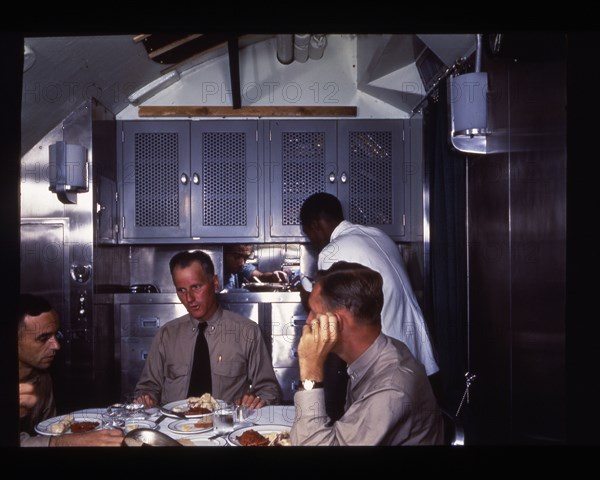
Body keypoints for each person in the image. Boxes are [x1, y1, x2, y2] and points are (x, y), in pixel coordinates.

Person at [290, 262, 443, 445]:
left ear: (336, 322)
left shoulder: (390, 389)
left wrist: (310, 368)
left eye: (313, 312)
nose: (308, 321)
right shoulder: (381, 351)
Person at [299, 192, 439, 376]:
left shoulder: (332, 251)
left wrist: (304, 293)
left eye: (309, 234)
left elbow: (327, 317)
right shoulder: (379, 235)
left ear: (315, 225)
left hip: (388, 363)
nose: (312, 241)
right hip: (420, 355)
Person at [135, 249, 281, 409]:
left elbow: (269, 390)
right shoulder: (167, 335)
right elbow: (147, 389)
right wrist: (146, 399)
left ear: (215, 282)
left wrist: (257, 400)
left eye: (196, 287)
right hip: (173, 428)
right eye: (181, 290)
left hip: (225, 429)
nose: (189, 298)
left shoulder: (247, 332)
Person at [18, 294, 124, 447]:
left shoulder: (43, 378)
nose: (56, 346)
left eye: (56, 335)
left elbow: (49, 430)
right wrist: (65, 442)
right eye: (43, 338)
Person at [222, 244, 288, 289]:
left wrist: (273, 276)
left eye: (246, 258)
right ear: (224, 253)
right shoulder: (216, 272)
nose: (242, 263)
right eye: (237, 256)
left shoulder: (241, 268)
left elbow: (260, 276)